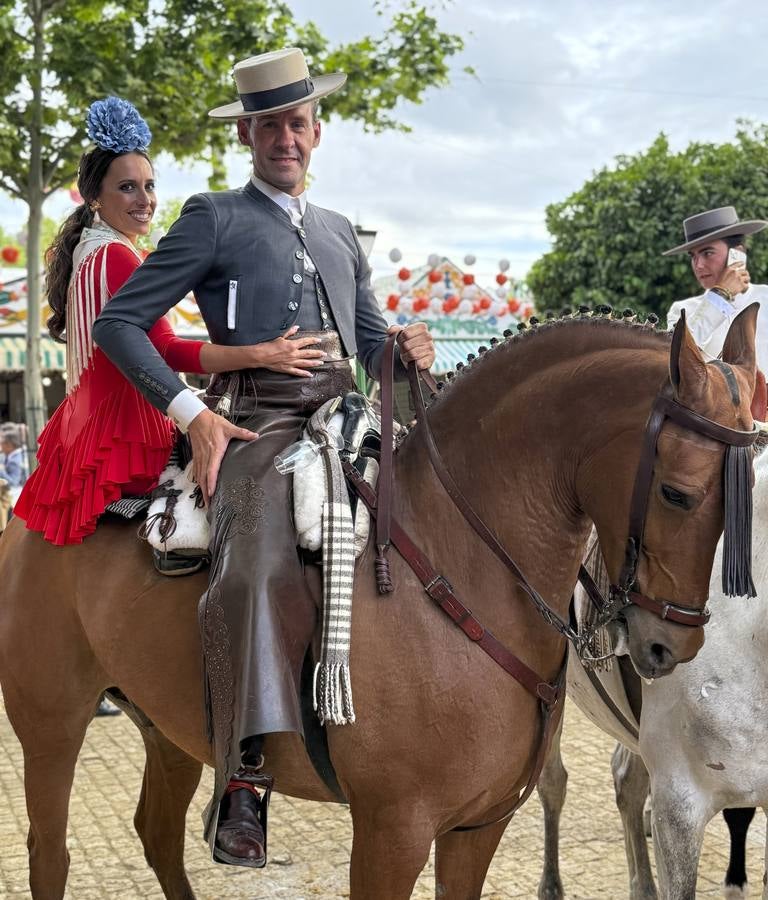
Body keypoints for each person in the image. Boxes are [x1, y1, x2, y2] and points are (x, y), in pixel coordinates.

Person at [92, 47, 435, 868]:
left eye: (298, 121)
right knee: (255, 565)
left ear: (317, 130)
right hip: (259, 427)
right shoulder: (213, 216)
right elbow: (119, 326)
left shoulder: (342, 232)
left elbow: (372, 341)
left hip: (350, 416)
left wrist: (410, 349)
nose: (287, 136)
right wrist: (193, 418)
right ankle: (245, 776)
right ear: (248, 133)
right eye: (271, 124)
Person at [14, 97, 280, 547]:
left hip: (88, 421)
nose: (146, 200)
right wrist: (260, 354)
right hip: (128, 426)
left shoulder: (89, 253)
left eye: (149, 185)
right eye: (128, 188)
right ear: (95, 197)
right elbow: (170, 351)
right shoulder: (118, 257)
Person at [665, 206, 768, 363]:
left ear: (737, 254)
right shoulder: (682, 310)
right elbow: (673, 358)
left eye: (707, 253)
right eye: (693, 256)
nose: (698, 265)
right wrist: (719, 296)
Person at [0, 424, 28, 489]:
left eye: (2, 443)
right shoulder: (14, 456)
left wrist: (1, 470)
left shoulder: (14, 461)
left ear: (9, 445)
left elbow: (13, 483)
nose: (1, 446)